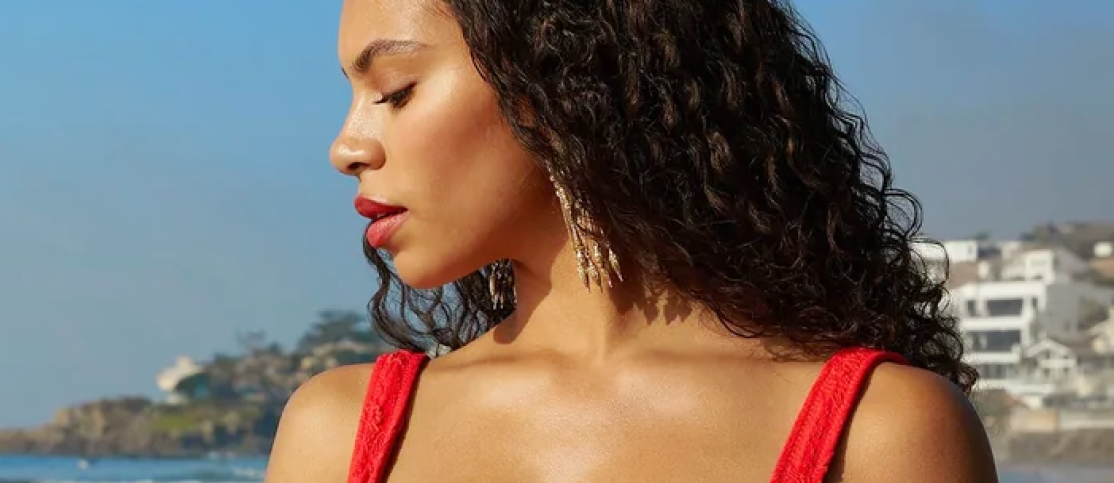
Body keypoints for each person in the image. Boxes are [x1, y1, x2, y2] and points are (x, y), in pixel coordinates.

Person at [265, 0, 998, 482]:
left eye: (394, 90)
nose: (346, 146)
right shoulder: (339, 436)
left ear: (560, 79)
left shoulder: (880, 432)